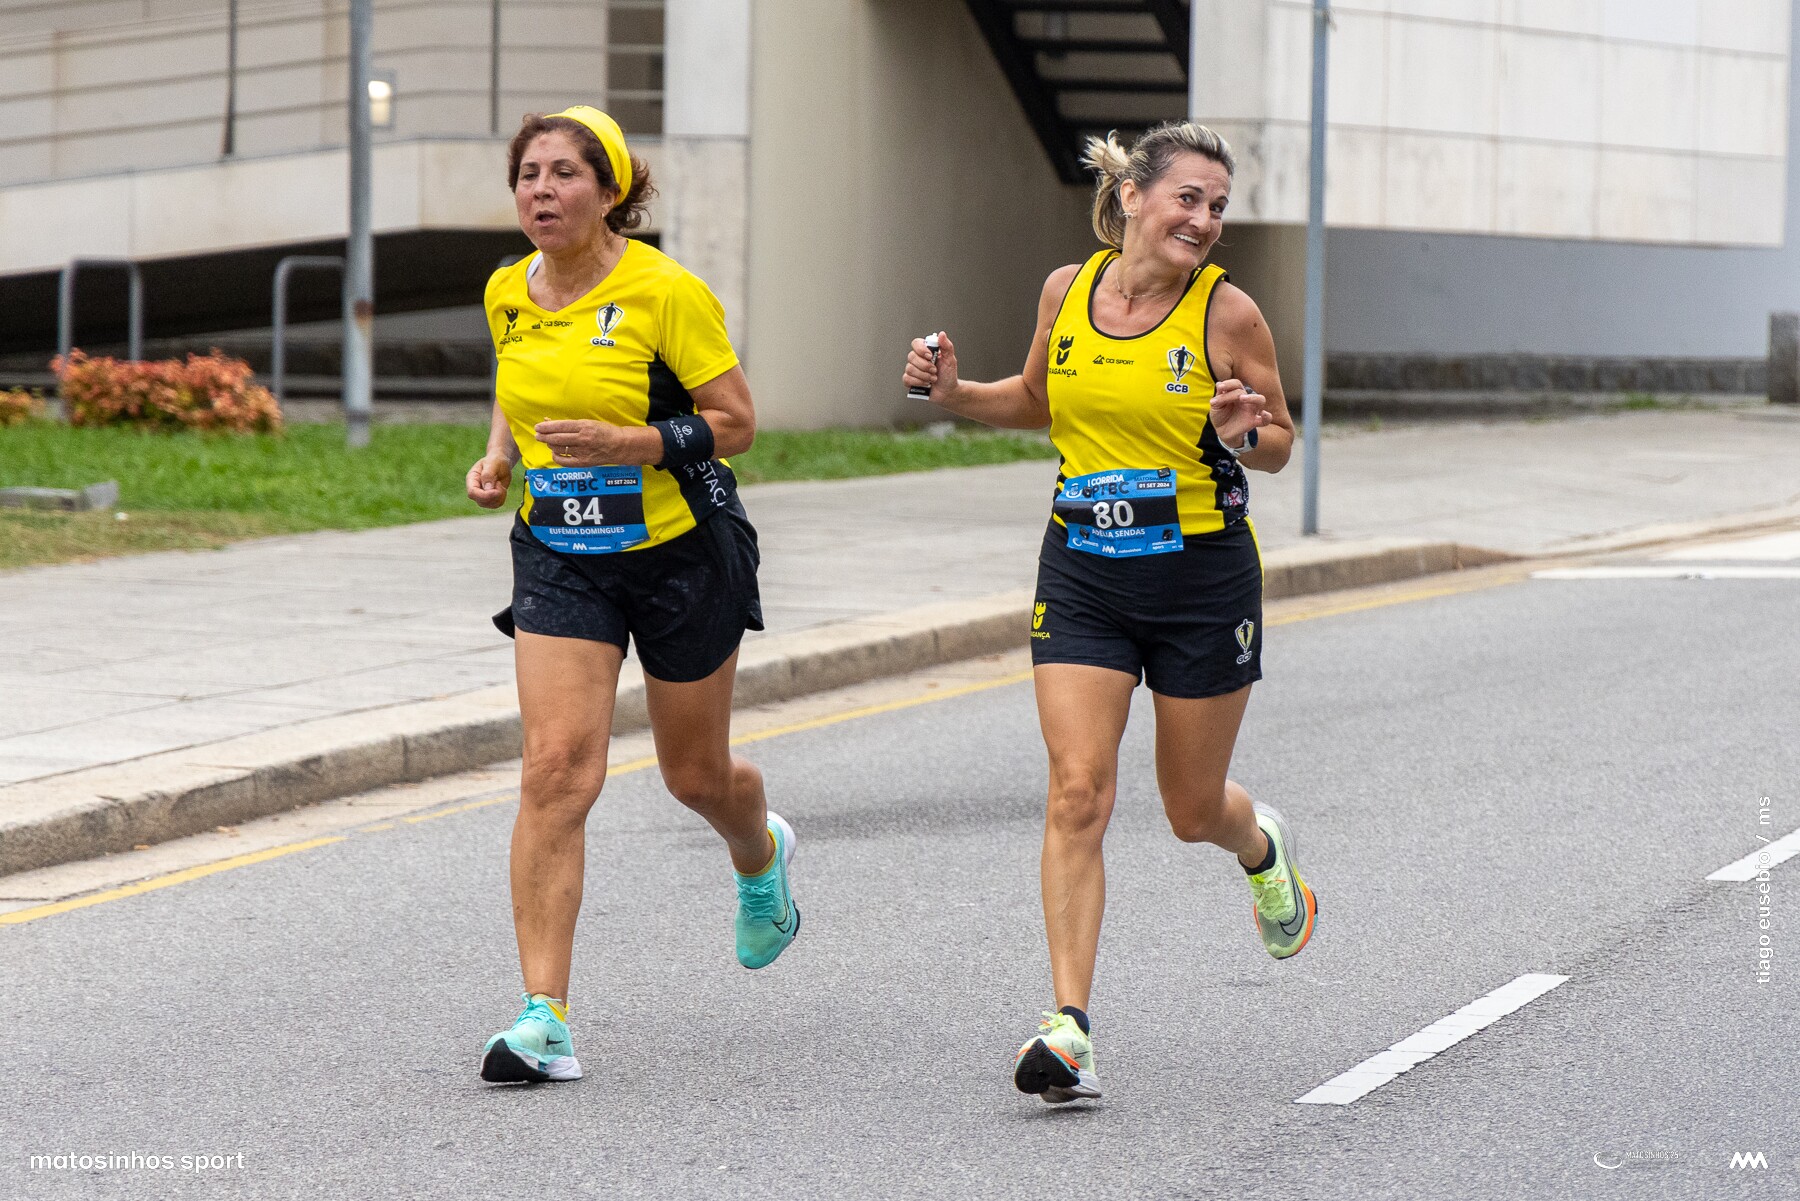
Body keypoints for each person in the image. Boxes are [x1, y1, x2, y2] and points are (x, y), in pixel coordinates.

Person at [902, 121, 1318, 1104]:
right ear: (1133, 196)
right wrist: (956, 392)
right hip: (1084, 568)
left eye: (1218, 206)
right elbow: (1037, 401)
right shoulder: (1068, 290)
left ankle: (1261, 847)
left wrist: (1243, 433)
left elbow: (1280, 444)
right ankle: (1070, 1027)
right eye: (1189, 198)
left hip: (1201, 583)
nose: (1205, 220)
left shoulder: (1229, 314)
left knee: (1190, 808)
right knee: (1078, 789)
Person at [465, 106, 798, 1084]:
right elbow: (516, 378)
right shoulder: (506, 289)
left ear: (611, 192)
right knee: (555, 769)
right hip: (561, 551)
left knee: (694, 775)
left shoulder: (664, 291)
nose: (542, 190)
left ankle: (759, 848)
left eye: (565, 173)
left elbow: (736, 422)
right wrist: (498, 454)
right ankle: (544, 1017)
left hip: (681, 551)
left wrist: (635, 443)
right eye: (528, 174)